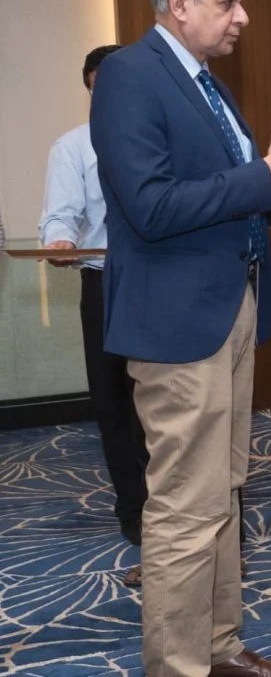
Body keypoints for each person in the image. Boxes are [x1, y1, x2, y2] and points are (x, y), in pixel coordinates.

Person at [91, 0, 271, 676]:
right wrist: (264, 173)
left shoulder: (206, 83)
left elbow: (229, 193)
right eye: (228, 1)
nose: (242, 16)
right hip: (177, 323)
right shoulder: (130, 75)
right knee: (185, 505)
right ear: (179, 3)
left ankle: (218, 646)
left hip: (229, 309)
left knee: (222, 494)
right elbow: (150, 206)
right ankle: (178, 666)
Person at [39, 45, 149, 548]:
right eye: (99, 85)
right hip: (105, 281)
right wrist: (60, 241)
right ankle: (134, 507)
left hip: (162, 282)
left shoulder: (160, 139)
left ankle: (177, 505)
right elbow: (59, 216)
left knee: (168, 398)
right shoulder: (73, 146)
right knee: (114, 402)